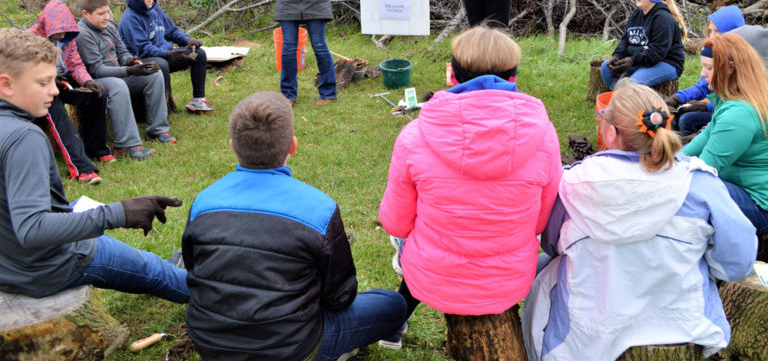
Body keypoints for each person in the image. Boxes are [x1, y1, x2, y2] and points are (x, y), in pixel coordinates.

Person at [522, 82, 756, 361]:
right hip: (684, 323)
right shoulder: (700, 182)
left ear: (610, 131)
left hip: (584, 337)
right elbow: (737, 261)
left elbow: (551, 244)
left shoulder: (573, 184)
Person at [182, 91, 406, 361]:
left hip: (210, 344)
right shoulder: (319, 209)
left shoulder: (203, 202)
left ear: (232, 146)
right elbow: (340, 297)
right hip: (293, 349)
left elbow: (194, 272)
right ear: (293, 145)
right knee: (392, 304)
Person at [378, 26, 562, 349]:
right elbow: (541, 223)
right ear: (513, 77)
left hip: (434, 277)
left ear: (453, 75)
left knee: (404, 233)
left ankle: (393, 322)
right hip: (508, 282)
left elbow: (395, 222)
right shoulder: (545, 137)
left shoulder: (413, 136)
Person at [0, 28, 188, 303]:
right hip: (47, 266)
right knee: (162, 275)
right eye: (43, 83)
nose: (54, 91)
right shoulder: (24, 138)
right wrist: (119, 213)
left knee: (139, 257)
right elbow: (32, 229)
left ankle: (164, 267)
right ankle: (183, 279)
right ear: (6, 84)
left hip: (9, 265)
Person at [683, 33, 768, 235]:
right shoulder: (733, 102)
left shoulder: (739, 114)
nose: (702, 74)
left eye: (709, 68)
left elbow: (702, 169)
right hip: (740, 187)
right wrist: (664, 162)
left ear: (729, 69)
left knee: (688, 193)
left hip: (757, 204)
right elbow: (693, 149)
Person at [76, 0, 171, 158]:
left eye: (107, 12)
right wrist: (129, 70)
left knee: (153, 75)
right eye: (101, 14)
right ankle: (126, 145)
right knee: (118, 86)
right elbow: (96, 69)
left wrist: (131, 61)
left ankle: (158, 129)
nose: (106, 17)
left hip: (118, 72)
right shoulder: (83, 34)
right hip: (96, 80)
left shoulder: (109, 27)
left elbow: (122, 51)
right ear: (85, 14)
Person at [28, 0, 111, 184]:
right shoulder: (29, 40)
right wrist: (48, 79)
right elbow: (23, 74)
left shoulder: (68, 38)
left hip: (62, 81)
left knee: (97, 95)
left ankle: (97, 149)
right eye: (59, 32)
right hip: (39, 88)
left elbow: (74, 64)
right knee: (56, 108)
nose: (62, 35)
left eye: (66, 30)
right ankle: (82, 169)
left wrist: (88, 81)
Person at [118, 0, 213, 114]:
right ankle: (162, 109)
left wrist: (187, 40)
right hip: (141, 61)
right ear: (136, 0)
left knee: (199, 54)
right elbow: (143, 48)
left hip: (164, 54)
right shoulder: (130, 20)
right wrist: (168, 54)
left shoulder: (155, 9)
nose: (150, 0)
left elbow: (172, 31)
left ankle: (198, 100)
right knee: (161, 65)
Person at [665, 4, 745, 136]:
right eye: (710, 31)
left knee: (688, 120)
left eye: (717, 31)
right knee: (677, 116)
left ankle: (695, 150)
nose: (712, 36)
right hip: (721, 107)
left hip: (737, 116)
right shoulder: (716, 52)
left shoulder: (743, 60)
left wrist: (705, 106)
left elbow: (740, 102)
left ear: (733, 31)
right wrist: (677, 98)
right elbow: (703, 86)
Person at [601, 0, 686, 89]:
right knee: (606, 68)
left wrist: (632, 60)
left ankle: (632, 101)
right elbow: (626, 39)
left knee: (635, 82)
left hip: (666, 63)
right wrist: (617, 56)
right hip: (642, 60)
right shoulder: (636, 14)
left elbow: (658, 51)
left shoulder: (663, 18)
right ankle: (620, 98)